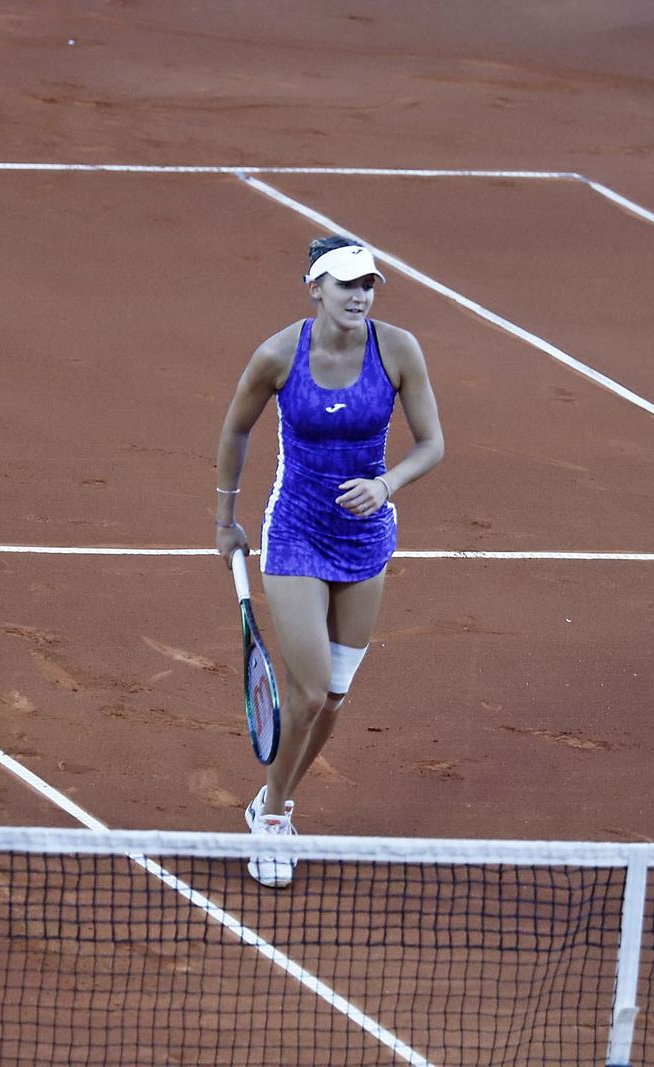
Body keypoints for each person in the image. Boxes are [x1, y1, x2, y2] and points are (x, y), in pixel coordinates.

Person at [214, 236, 445, 887]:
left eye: (367, 284)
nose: (359, 295)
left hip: (365, 540)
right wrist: (225, 520)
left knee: (334, 699)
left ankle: (272, 797)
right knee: (309, 690)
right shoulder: (277, 355)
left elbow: (432, 443)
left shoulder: (397, 350)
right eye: (346, 284)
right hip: (297, 535)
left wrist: (386, 485)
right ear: (314, 287)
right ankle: (273, 821)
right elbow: (236, 428)